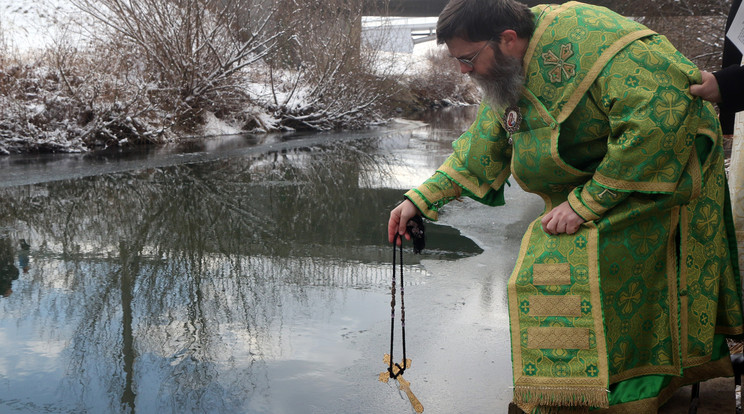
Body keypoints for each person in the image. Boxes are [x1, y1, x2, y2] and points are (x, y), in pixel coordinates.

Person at [387, 0, 744, 412]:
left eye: (468, 59)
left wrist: (586, 204)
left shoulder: (593, 41)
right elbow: (484, 145)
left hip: (665, 168)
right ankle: (576, 387)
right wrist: (420, 199)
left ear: (506, 39)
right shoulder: (509, 66)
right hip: (602, 170)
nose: (464, 71)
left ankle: (628, 389)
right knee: (550, 261)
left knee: (583, 260)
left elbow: (657, 121)